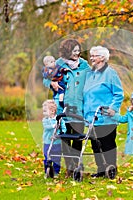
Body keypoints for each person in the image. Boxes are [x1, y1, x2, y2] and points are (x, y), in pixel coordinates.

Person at [43, 39, 90, 177]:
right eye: (74, 50)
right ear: (67, 51)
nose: (77, 53)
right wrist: (52, 83)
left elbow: (92, 79)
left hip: (78, 107)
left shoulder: (84, 65)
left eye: (78, 50)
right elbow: (45, 78)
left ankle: (77, 165)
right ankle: (70, 166)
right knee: (64, 138)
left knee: (77, 137)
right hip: (62, 108)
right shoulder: (58, 64)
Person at [83, 46, 124, 178]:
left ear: (102, 58)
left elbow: (119, 94)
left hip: (105, 117)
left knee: (107, 144)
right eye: (91, 55)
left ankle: (111, 169)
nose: (91, 58)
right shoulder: (91, 74)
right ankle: (101, 170)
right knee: (95, 144)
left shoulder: (110, 73)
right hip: (91, 117)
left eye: (94, 55)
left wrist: (112, 109)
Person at [42, 99, 66, 178]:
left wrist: (59, 134)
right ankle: (47, 171)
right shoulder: (45, 120)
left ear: (52, 111)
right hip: (47, 142)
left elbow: (63, 128)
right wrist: (54, 126)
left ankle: (56, 171)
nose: (44, 113)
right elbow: (47, 127)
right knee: (47, 156)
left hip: (57, 142)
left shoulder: (59, 119)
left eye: (45, 111)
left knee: (56, 157)